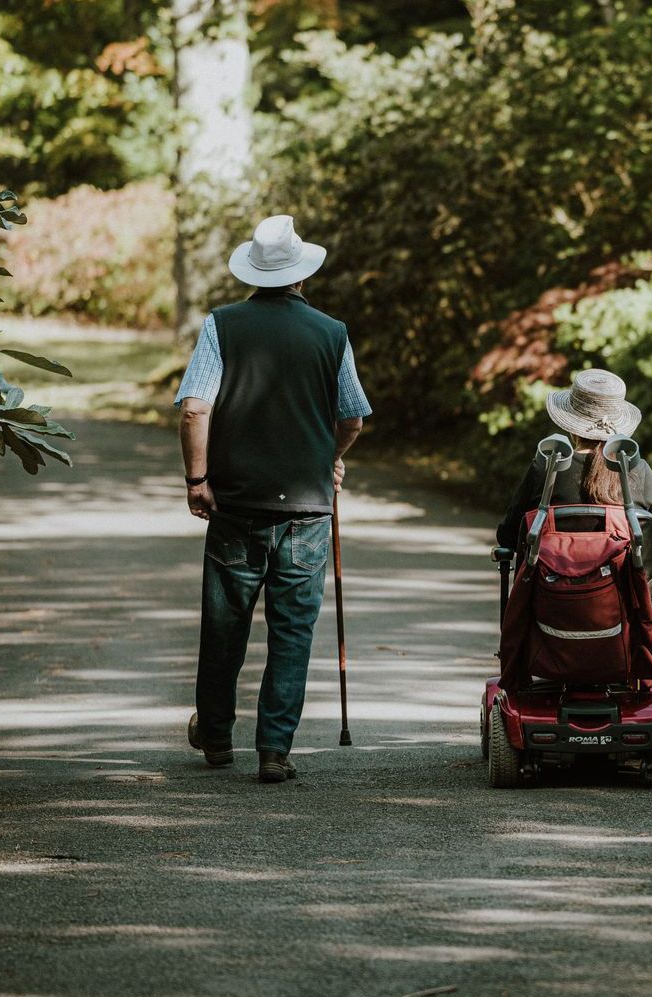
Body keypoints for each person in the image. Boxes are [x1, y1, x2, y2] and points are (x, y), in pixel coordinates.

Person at [175, 215, 372, 784]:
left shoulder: (223, 326)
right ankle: (274, 750)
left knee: (225, 627)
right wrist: (324, 457)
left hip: (235, 505)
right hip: (307, 511)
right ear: (302, 274)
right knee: (292, 632)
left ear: (254, 273)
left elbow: (194, 407)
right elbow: (352, 417)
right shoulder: (332, 333)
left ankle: (215, 737)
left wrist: (197, 479)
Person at [495, 369, 652, 585]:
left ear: (571, 426)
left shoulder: (545, 469)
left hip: (550, 597)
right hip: (624, 599)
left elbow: (508, 536)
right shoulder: (637, 470)